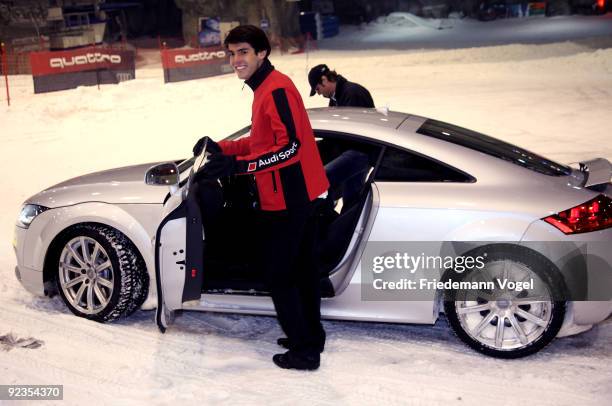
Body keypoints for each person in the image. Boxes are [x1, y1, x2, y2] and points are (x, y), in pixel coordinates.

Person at [193, 25, 329, 371]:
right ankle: (310, 336)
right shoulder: (266, 87)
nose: (235, 60)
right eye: (231, 53)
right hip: (295, 195)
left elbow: (291, 147)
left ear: (261, 54)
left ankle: (304, 351)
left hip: (289, 198)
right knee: (301, 272)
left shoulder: (276, 88)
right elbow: (262, 142)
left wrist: (237, 166)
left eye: (242, 52)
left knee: (279, 275)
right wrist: (221, 148)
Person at [308, 64, 374, 107]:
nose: (319, 93)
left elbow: (352, 125)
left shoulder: (352, 94)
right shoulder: (335, 97)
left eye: (317, 89)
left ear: (324, 80)